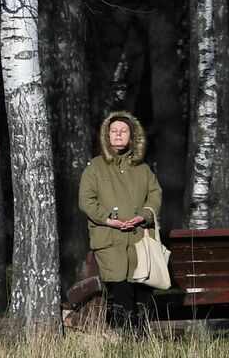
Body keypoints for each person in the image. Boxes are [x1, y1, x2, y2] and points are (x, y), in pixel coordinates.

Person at [77, 110, 162, 331]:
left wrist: (143, 215)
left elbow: (155, 194)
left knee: (143, 286)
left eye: (123, 131)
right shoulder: (95, 167)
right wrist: (108, 219)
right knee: (121, 286)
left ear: (132, 136)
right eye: (114, 131)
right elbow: (86, 200)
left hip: (139, 237)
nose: (118, 135)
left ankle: (141, 335)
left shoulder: (142, 168)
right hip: (109, 238)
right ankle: (129, 336)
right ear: (107, 136)